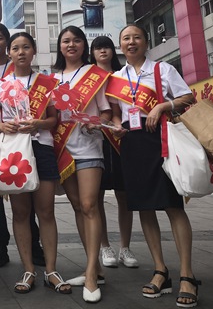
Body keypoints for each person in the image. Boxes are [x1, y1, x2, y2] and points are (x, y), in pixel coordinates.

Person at [107, 24, 199, 308]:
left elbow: (187, 97)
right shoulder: (116, 79)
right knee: (144, 208)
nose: (131, 42)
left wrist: (161, 106)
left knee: (173, 206)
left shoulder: (162, 70)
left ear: (146, 42)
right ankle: (161, 270)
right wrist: (116, 126)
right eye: (126, 38)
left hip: (161, 142)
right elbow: (115, 113)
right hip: (132, 145)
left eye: (136, 37)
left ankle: (187, 275)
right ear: (121, 45)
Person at [0, 32, 71, 296]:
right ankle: (28, 270)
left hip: (42, 148)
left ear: (34, 51)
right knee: (21, 212)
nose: (21, 52)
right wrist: (2, 126)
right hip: (14, 151)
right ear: (9, 53)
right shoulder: (0, 85)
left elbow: (53, 119)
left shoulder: (47, 82)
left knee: (46, 211)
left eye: (26, 47)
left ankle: (51, 270)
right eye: (15, 48)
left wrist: (39, 123)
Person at [51, 27, 111, 303]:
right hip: (63, 149)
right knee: (77, 206)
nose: (71, 45)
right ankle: (94, 268)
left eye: (76, 40)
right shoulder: (53, 79)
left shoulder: (94, 75)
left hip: (88, 146)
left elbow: (106, 110)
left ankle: (90, 275)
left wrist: (97, 123)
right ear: (60, 46)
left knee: (89, 205)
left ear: (84, 45)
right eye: (66, 41)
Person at [0, 22, 44, 268]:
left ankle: (34, 245)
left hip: (22, 139)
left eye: (0, 37)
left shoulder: (19, 67)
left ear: (7, 44)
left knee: (25, 192)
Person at [90, 36, 139, 270]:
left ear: (113, 50)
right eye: (98, 47)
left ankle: (125, 247)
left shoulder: (122, 76)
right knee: (96, 197)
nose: (103, 51)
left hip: (120, 140)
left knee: (124, 195)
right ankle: (104, 246)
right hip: (95, 142)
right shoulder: (87, 78)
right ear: (92, 52)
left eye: (107, 47)